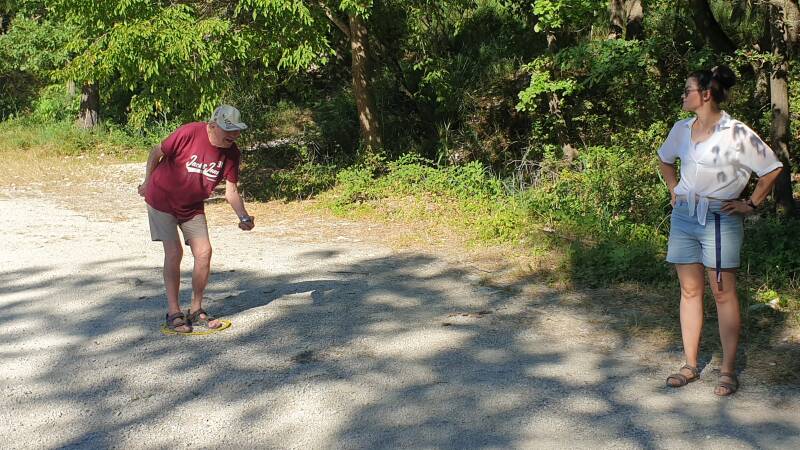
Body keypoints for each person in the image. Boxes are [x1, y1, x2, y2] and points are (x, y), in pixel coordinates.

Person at [657, 66, 783, 396]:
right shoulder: (682, 129)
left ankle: (727, 371)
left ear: (705, 94)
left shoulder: (736, 133)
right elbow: (665, 159)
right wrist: (673, 188)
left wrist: (751, 204)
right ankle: (689, 365)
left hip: (719, 218)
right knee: (689, 291)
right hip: (685, 215)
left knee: (723, 293)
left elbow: (772, 168)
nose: (683, 95)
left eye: (687, 90)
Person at [138, 105, 255, 333]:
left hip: (191, 206)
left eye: (237, 130)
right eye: (229, 130)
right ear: (212, 126)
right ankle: (174, 312)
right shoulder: (190, 132)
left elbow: (231, 191)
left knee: (204, 252)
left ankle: (196, 309)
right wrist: (147, 181)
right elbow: (156, 151)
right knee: (174, 252)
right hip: (161, 199)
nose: (234, 135)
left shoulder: (232, 153)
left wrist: (243, 216)